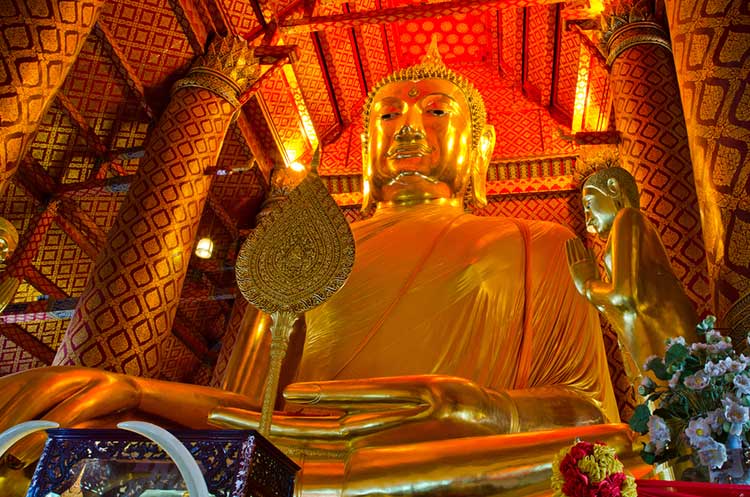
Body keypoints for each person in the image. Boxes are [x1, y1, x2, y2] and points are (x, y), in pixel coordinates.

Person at [0, 43, 639, 497]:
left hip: (463, 464)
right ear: (364, 145)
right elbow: (252, 414)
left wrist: (473, 408)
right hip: (299, 468)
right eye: (388, 116)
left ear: (481, 144)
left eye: (436, 112)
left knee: (617, 463)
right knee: (81, 443)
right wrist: (138, 391)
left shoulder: (540, 242)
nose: (408, 129)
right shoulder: (304, 253)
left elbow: (587, 417)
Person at [566, 161, 699, 374]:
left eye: (588, 205)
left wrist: (588, 285)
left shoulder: (627, 217)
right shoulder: (622, 230)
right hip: (652, 343)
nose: (588, 221)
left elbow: (623, 296)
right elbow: (624, 310)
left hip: (669, 339)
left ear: (613, 188)